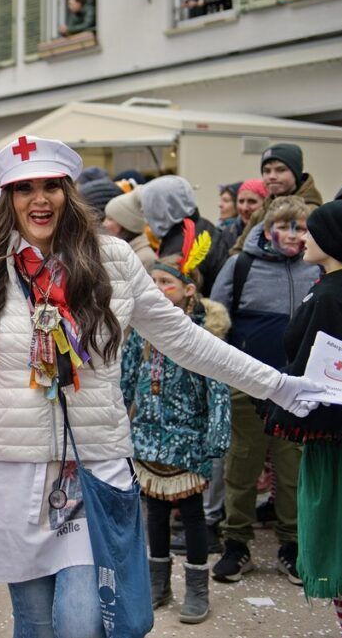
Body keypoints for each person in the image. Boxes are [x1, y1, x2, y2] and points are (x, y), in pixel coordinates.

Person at [0, 135, 322, 638]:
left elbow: (185, 339)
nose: (39, 200)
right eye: (24, 189)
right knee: (34, 622)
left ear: (68, 192)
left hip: (93, 467)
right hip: (12, 470)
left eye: (50, 186)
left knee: (82, 620)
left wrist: (276, 385)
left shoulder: (113, 259)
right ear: (8, 199)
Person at [260, 200, 342, 637]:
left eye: (312, 230)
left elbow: (314, 373)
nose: (303, 237)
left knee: (340, 546)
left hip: (335, 445)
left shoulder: (332, 297)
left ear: (335, 240)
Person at [205, 196, 321, 584]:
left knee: (292, 467)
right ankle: (236, 543)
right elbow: (216, 320)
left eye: (301, 227)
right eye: (284, 226)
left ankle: (292, 545)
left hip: (297, 385)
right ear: (267, 229)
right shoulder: (241, 265)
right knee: (242, 462)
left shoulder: (316, 266)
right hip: (247, 383)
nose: (293, 234)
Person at [121, 253, 231, 625]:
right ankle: (158, 583)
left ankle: (197, 589)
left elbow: (218, 389)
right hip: (148, 436)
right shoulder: (140, 331)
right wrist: (116, 423)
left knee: (192, 514)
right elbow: (125, 379)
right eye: (152, 282)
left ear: (188, 291)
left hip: (187, 438)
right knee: (154, 512)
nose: (157, 288)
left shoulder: (202, 334)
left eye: (165, 283)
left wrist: (216, 437)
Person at [139, 176, 233, 296]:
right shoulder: (200, 225)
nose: (143, 211)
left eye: (149, 205)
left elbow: (175, 298)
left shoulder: (182, 245)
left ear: (164, 207)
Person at [230, 143, 322, 255]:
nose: (272, 176)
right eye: (267, 171)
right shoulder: (260, 212)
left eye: (281, 170)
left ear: (296, 173)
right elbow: (238, 250)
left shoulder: (312, 212)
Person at [103, 189, 156, 268]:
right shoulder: (118, 251)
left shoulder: (144, 258)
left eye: (110, 219)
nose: (104, 224)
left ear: (125, 224)